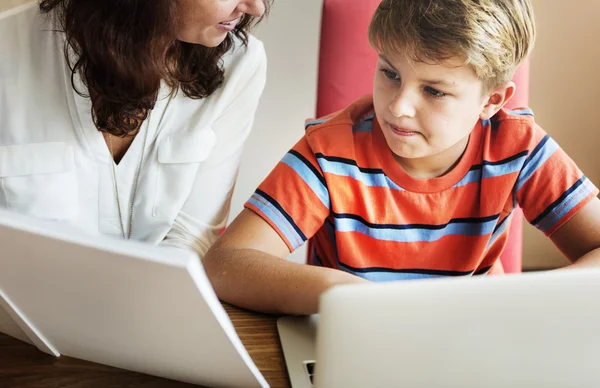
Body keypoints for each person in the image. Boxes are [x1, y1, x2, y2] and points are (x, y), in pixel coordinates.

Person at [203, 0, 600, 315]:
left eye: (434, 91)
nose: (398, 107)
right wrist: (346, 294)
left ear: (491, 101)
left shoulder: (520, 149)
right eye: (391, 73)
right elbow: (226, 264)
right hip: (357, 342)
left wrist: (522, 305)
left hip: (476, 344)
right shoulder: (330, 152)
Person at [0, 0, 269, 256]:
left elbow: (191, 238)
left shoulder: (240, 64)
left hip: (158, 298)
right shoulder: (7, 48)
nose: (256, 8)